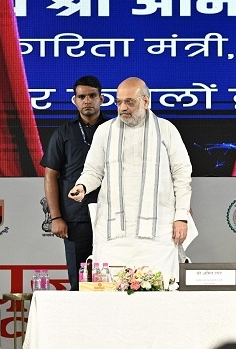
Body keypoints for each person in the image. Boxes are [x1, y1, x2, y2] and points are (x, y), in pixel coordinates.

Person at [68, 77, 192, 281]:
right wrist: (82, 186)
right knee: (111, 296)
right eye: (119, 102)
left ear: (146, 101)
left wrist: (181, 217)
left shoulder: (166, 129)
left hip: (159, 232)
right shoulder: (105, 131)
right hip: (114, 234)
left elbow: (182, 175)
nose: (123, 107)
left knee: (160, 293)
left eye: (129, 102)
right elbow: (93, 171)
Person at [40, 75, 110, 290]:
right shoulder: (63, 133)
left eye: (92, 96)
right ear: (75, 101)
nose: (87, 101)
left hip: (111, 215)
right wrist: (57, 217)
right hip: (74, 217)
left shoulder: (115, 130)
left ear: (102, 98)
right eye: (81, 97)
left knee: (110, 276)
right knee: (79, 280)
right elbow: (50, 175)